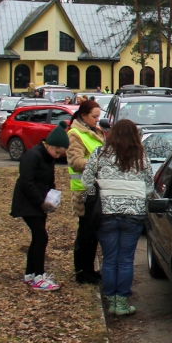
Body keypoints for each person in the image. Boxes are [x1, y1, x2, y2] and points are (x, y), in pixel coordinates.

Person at [82, 120, 153, 316]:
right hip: (133, 214)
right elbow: (149, 187)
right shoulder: (141, 156)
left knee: (109, 257)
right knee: (126, 260)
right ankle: (122, 302)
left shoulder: (99, 153)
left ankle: (110, 300)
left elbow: (86, 181)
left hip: (105, 213)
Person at [11, 123, 70, 291]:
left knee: (37, 238)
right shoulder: (33, 156)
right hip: (28, 203)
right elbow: (26, 183)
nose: (58, 156)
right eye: (57, 152)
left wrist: (52, 196)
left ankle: (30, 274)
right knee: (41, 237)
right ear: (49, 145)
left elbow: (48, 181)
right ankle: (39, 277)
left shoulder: (48, 158)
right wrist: (41, 202)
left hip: (39, 204)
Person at [68, 98, 106, 284]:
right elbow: (75, 162)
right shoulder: (75, 134)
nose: (97, 120)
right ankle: (82, 272)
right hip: (84, 191)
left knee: (92, 233)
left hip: (95, 189)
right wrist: (98, 163)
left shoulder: (94, 131)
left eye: (99, 116)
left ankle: (89, 269)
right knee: (85, 233)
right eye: (94, 116)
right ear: (83, 116)